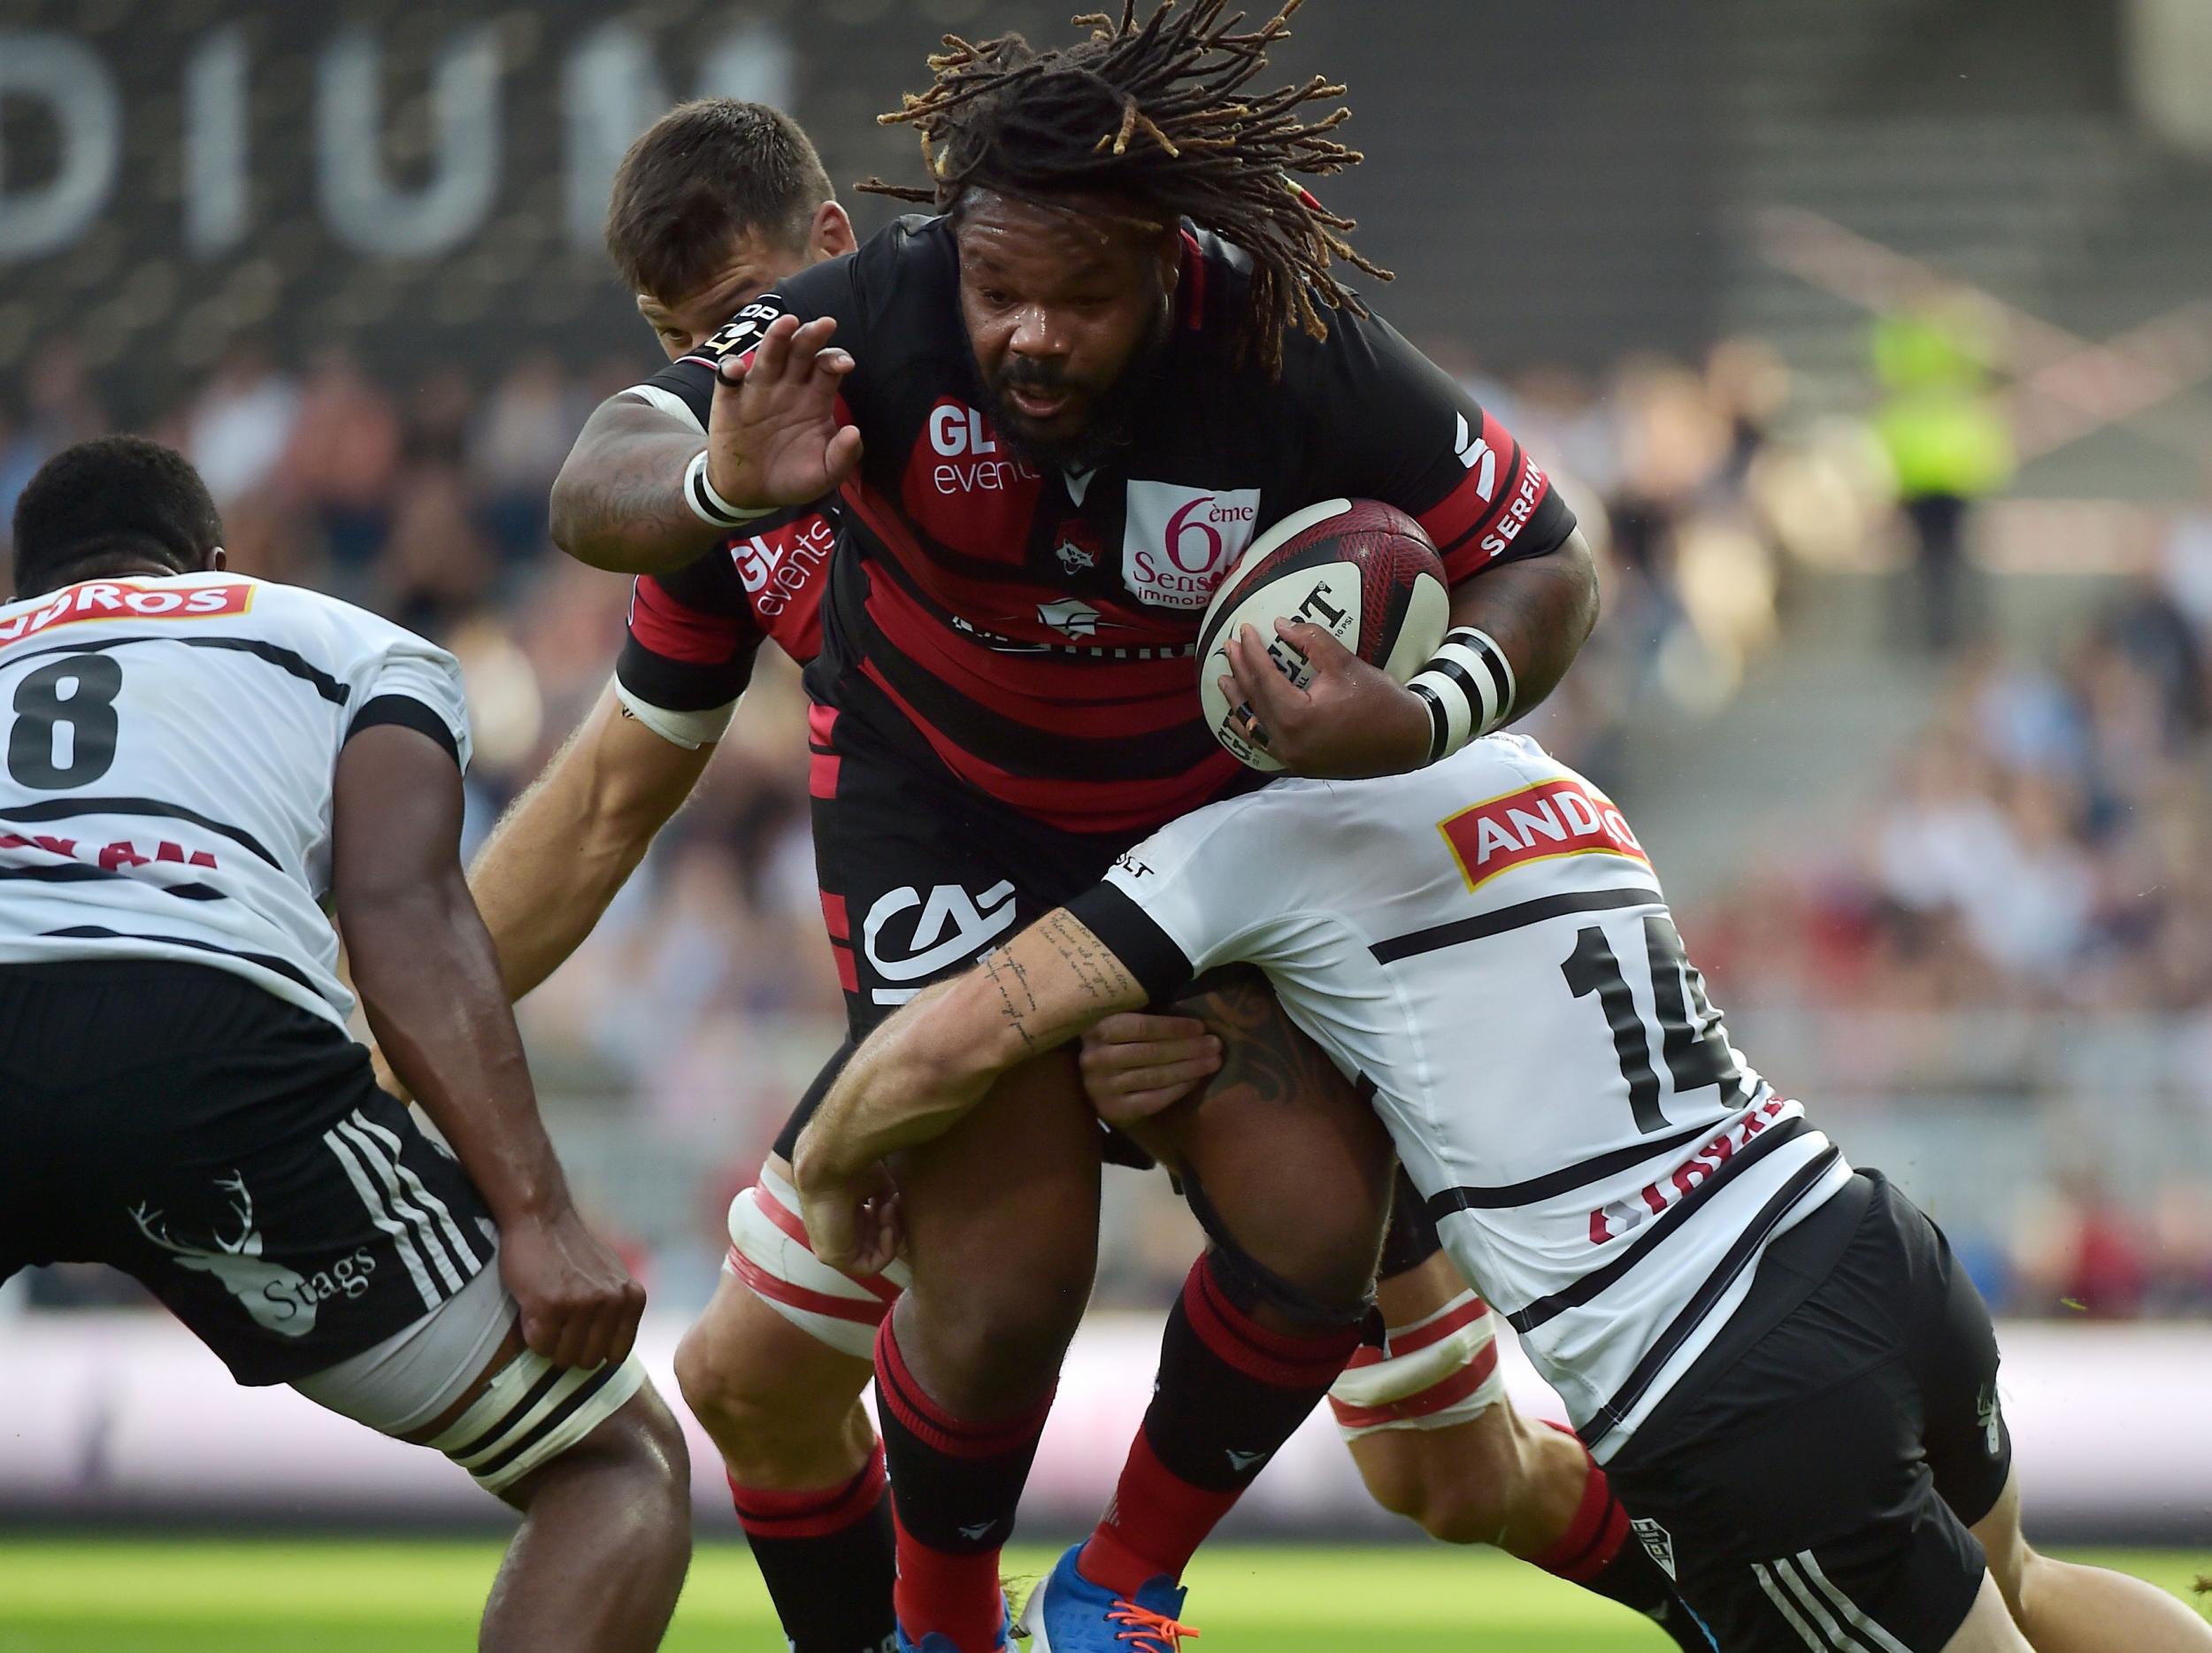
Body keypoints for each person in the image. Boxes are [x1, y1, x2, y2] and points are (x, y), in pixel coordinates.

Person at [504, 93, 1685, 1653]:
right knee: (908, 1318)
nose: (1033, 337)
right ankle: (947, 1628)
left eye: (1078, 297)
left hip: (1201, 862)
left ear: (1161, 268)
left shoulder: (1277, 348)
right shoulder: (804, 393)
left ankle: (1136, 1588)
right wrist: (379, 1032)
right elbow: (601, 776)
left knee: (1420, 1413)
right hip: (949, 844)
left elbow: (1544, 555)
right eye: (701, 338)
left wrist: (1418, 711)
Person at [792, 651, 2212, 1653]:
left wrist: (829, 1165)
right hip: (1857, 1239)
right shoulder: (1543, 773)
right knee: (2020, 1580)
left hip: (1723, 1374)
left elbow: (957, 1039)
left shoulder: (1250, 847)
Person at [0, 437, 692, 1653]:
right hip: (204, 1041)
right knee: (612, 1461)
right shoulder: (345, 641)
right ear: (212, 563)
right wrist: (535, 1213)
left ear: (27, 586)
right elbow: (401, 913)